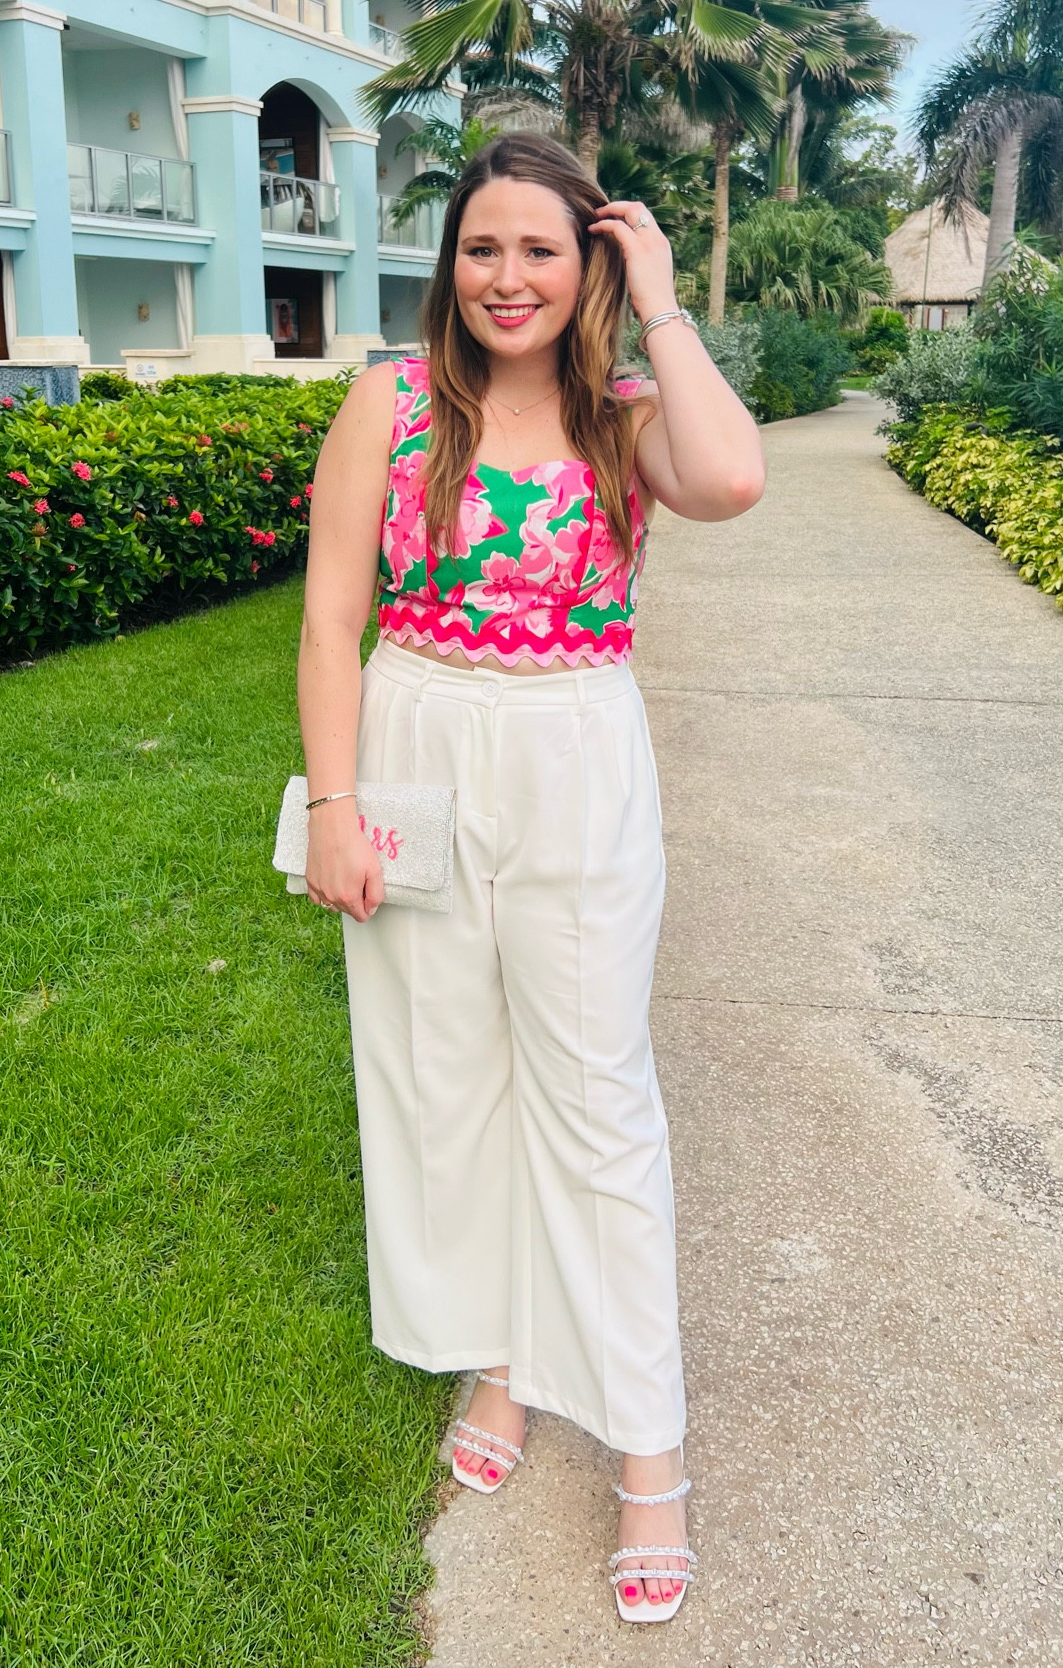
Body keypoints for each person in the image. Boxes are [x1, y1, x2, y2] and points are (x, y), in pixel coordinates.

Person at [297, 132, 764, 1622]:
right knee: (450, 1080)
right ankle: (504, 1365)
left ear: (592, 265)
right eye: (483, 247)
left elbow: (737, 479)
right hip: (418, 733)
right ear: (449, 260)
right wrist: (335, 807)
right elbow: (326, 623)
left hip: (575, 752)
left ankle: (650, 1452)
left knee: (594, 1092)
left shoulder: (629, 414)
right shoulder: (389, 404)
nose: (508, 277)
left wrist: (667, 304)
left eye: (544, 250)